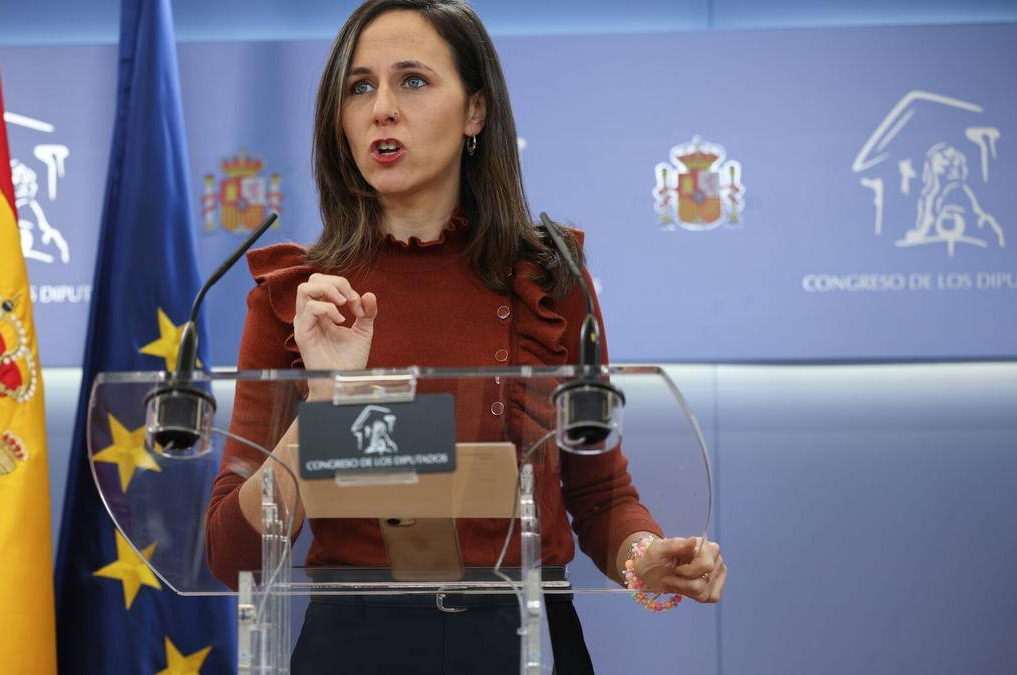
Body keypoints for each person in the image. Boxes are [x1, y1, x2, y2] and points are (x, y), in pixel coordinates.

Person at [205, 2, 727, 672]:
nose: (381, 109)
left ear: (475, 112)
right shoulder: (299, 298)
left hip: (523, 636)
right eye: (359, 86)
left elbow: (599, 495)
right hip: (353, 643)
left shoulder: (548, 280)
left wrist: (645, 556)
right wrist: (331, 398)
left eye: (413, 81)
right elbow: (230, 554)